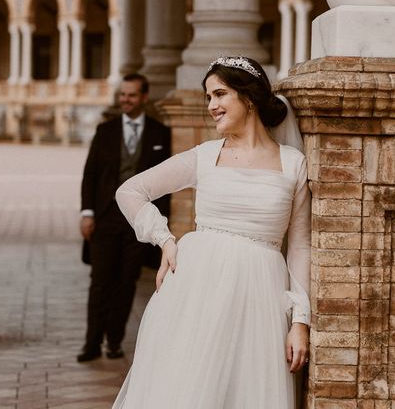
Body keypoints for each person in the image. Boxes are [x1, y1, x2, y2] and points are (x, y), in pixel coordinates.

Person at [112, 56, 311, 407]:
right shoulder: (204, 157)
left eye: (220, 95)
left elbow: (300, 247)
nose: (211, 106)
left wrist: (300, 321)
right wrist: (165, 240)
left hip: (260, 296)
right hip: (196, 290)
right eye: (208, 97)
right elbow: (130, 191)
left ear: (248, 97)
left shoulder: (293, 163)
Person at [77, 73, 171, 362]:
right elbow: (90, 174)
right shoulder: (105, 131)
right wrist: (87, 212)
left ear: (143, 97)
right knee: (100, 281)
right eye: (122, 95)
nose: (125, 100)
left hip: (138, 221)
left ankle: (114, 341)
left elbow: (166, 183)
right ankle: (91, 343)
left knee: (126, 281)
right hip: (105, 219)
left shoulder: (160, 133)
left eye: (131, 95)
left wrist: (159, 222)